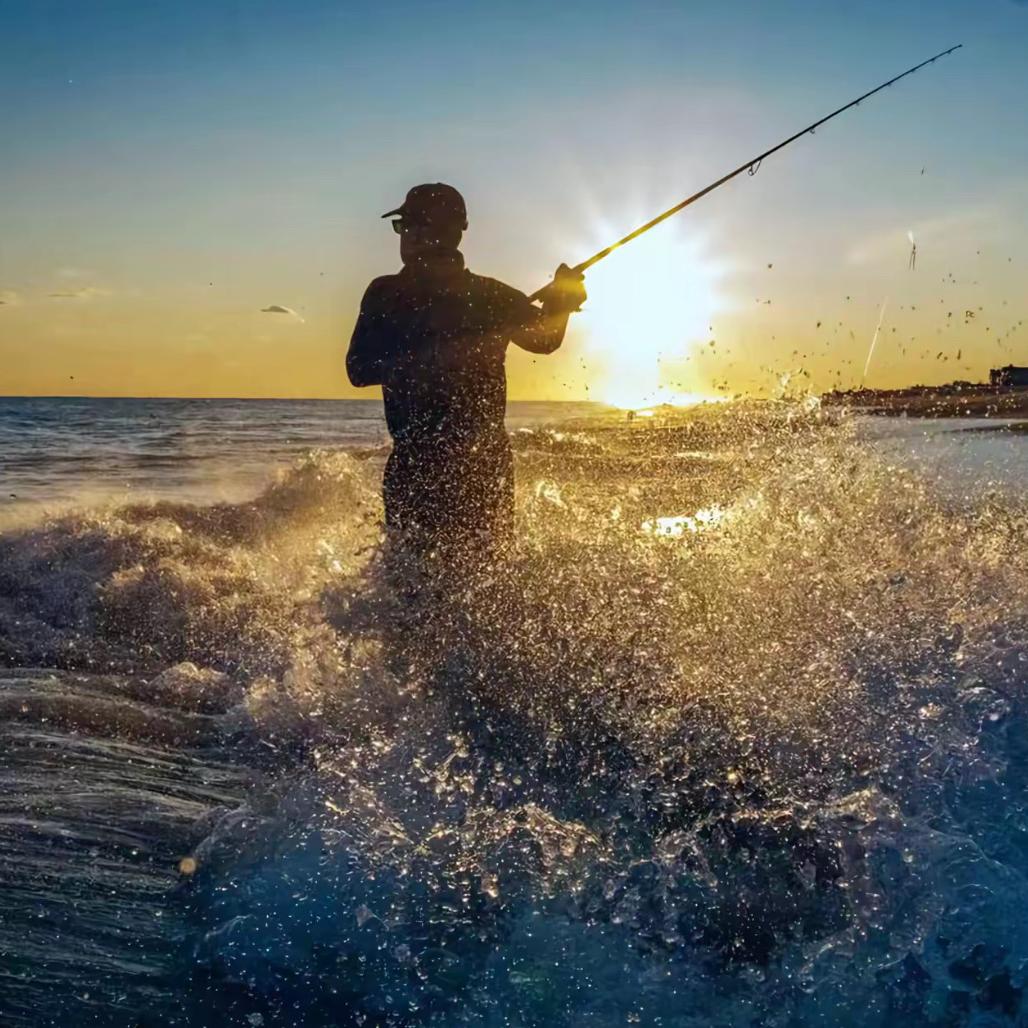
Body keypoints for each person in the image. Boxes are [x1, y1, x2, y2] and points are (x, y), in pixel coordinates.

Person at [346, 183, 586, 565]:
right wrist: (426, 359)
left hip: (465, 468)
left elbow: (544, 341)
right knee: (442, 583)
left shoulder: (483, 296)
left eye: (407, 225)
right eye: (403, 227)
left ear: (438, 232)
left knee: (459, 583)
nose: (404, 236)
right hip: (431, 466)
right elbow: (357, 369)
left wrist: (562, 299)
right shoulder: (392, 294)